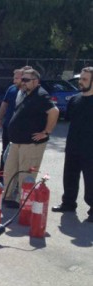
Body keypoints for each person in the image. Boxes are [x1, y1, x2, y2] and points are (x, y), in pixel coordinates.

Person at [3, 69, 59, 207]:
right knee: (10, 171)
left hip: (31, 144)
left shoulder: (41, 95)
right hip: (17, 142)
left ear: (36, 81)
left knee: (26, 174)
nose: (23, 82)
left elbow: (54, 111)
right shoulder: (26, 94)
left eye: (26, 80)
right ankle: (8, 197)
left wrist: (46, 132)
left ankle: (23, 202)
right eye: (22, 79)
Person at [52, 67, 93, 222]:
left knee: (91, 180)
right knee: (69, 176)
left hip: (91, 149)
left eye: (84, 79)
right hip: (73, 145)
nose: (80, 82)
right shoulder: (75, 100)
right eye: (80, 79)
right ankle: (68, 203)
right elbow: (69, 121)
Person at [0, 68, 24, 177]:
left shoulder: (28, 92)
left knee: (18, 154)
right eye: (14, 78)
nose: (14, 81)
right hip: (8, 126)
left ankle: (15, 177)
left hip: (20, 129)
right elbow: (4, 104)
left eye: (17, 78)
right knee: (5, 151)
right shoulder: (11, 89)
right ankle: (2, 173)